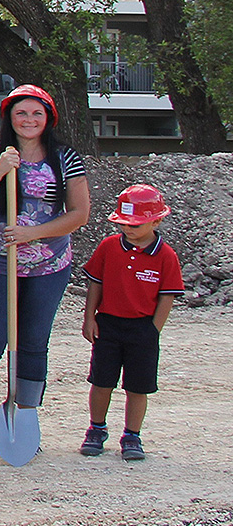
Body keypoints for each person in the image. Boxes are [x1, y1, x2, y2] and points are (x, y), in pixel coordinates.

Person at [0, 85, 91, 452]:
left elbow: (79, 213)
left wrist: (34, 232)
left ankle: (24, 415)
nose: (29, 120)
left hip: (49, 266)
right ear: (9, 118)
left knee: (33, 342)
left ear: (48, 119)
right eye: (21, 113)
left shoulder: (64, 158)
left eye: (36, 114)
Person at [78, 185, 181, 461]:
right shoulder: (109, 247)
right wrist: (90, 317)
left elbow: (167, 296)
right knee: (101, 382)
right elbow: (95, 283)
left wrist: (152, 330)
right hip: (108, 325)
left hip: (142, 328)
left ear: (156, 221)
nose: (128, 229)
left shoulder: (166, 256)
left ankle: (132, 435)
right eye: (123, 223)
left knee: (138, 386)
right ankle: (96, 429)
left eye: (134, 224)